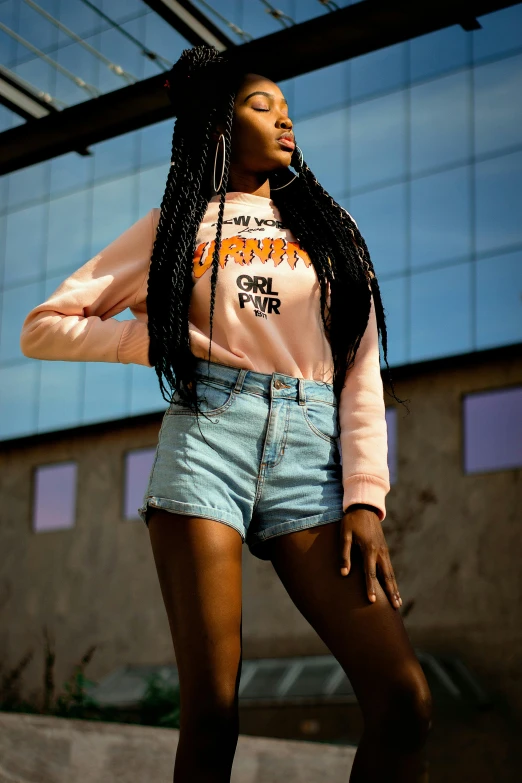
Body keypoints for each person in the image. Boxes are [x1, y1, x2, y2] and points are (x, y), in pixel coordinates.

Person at [20, 45, 432, 783]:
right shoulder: (179, 224)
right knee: (212, 708)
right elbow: (45, 325)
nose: (285, 118)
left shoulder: (332, 232)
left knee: (404, 698)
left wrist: (366, 497)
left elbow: (359, 368)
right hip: (208, 437)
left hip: (313, 454)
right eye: (261, 105)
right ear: (217, 124)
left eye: (285, 106)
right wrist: (160, 338)